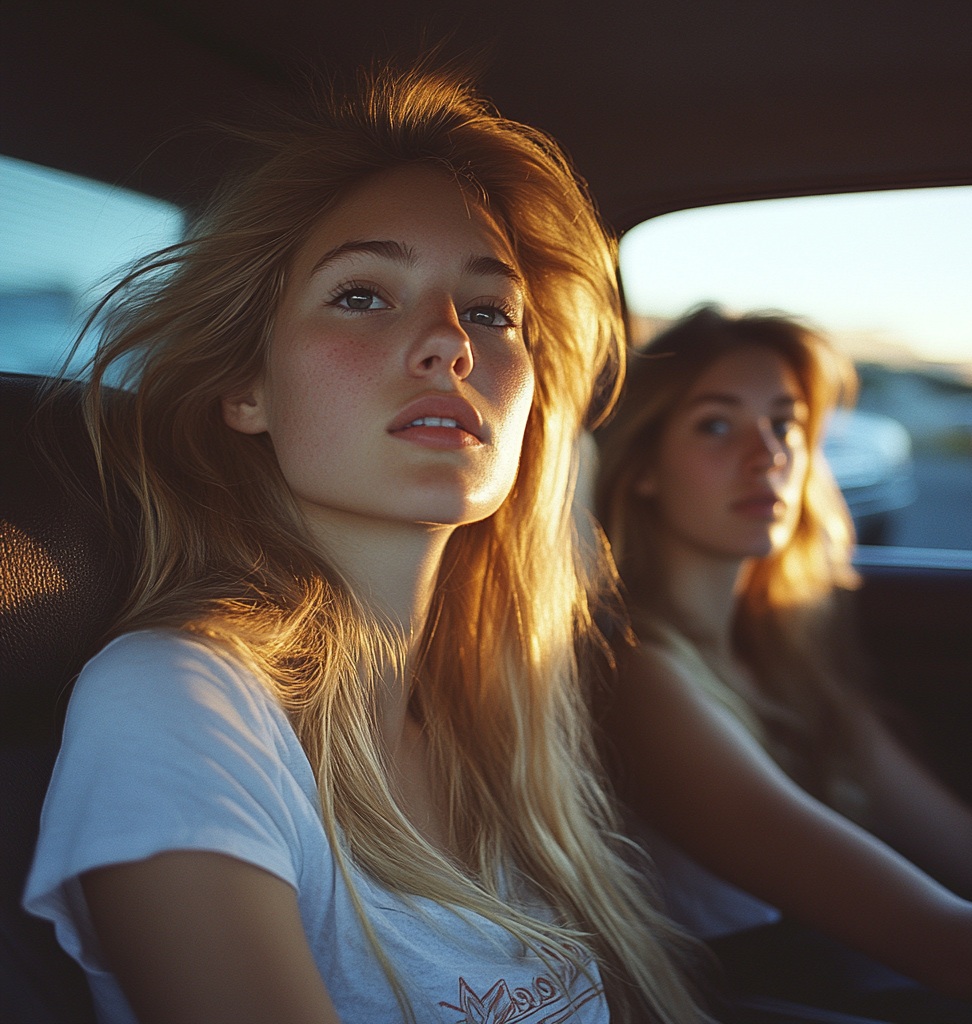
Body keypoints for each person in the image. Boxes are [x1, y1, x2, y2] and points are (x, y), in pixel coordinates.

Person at [21, 65, 706, 1024]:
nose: (449, 346)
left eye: (489, 310)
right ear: (245, 388)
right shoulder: (177, 704)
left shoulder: (495, 729)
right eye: (362, 296)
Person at [592, 304, 972, 1019]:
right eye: (717, 425)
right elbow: (949, 946)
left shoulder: (783, 656)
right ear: (642, 468)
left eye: (785, 423)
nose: (768, 455)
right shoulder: (642, 675)